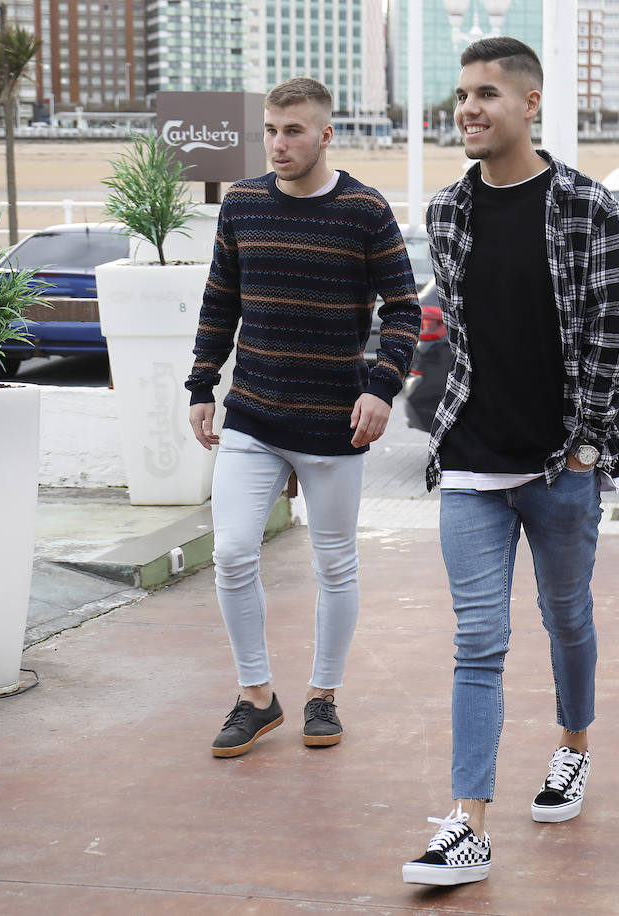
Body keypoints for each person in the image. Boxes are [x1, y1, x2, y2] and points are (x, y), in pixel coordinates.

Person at [401, 37, 619, 885]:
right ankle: (468, 824)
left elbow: (610, 337)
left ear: (530, 104)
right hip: (470, 459)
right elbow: (464, 337)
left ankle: (573, 746)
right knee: (478, 640)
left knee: (566, 615)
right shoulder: (447, 212)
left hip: (560, 464)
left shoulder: (585, 206)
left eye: (487, 93)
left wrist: (582, 447)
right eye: (462, 94)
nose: (468, 108)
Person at [185, 77, 421, 758]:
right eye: (270, 130)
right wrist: (201, 385)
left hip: (333, 424)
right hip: (252, 415)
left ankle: (323, 695)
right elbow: (218, 302)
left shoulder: (365, 210)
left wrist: (381, 386)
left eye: (294, 131)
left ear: (326, 134)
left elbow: (403, 309)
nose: (279, 143)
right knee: (230, 553)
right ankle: (257, 697)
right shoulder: (244, 204)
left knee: (336, 564)